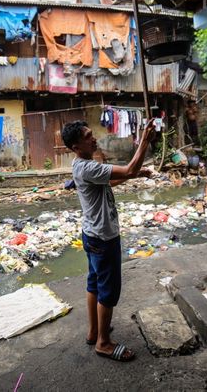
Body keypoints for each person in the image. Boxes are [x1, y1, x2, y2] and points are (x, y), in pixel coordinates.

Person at [60, 119, 156, 362]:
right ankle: (103, 343)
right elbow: (130, 169)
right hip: (104, 238)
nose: (95, 139)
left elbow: (111, 180)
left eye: (93, 134)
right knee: (108, 291)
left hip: (91, 234)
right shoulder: (88, 167)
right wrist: (144, 139)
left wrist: (136, 174)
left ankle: (94, 332)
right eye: (88, 136)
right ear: (75, 146)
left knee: (94, 282)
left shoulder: (82, 165)